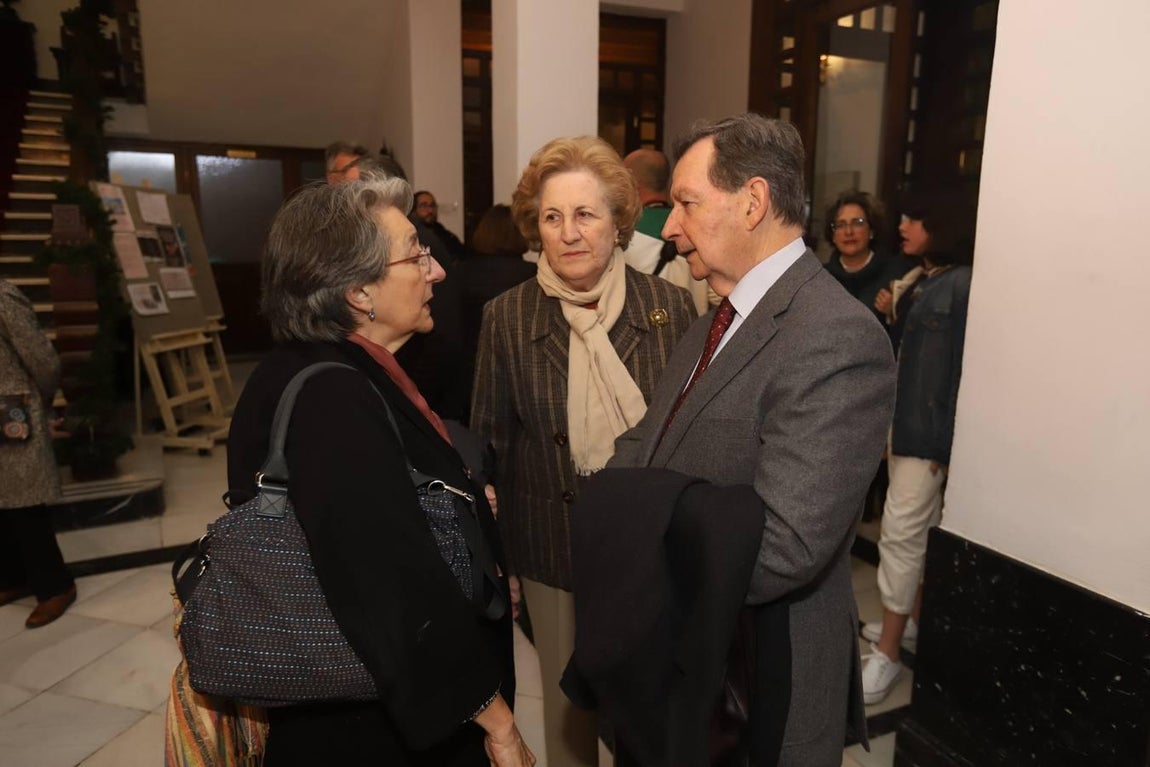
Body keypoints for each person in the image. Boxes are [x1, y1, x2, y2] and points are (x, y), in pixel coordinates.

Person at [604, 114, 896, 765]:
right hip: (691, 654)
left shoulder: (834, 336)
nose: (670, 227)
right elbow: (642, 445)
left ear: (754, 201)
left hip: (763, 670)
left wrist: (637, 556)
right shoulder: (714, 317)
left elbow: (787, 545)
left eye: (685, 203)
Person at [228, 178, 533, 767]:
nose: (436, 271)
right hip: (373, 726)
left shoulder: (329, 367)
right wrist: (497, 722)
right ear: (359, 290)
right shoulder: (333, 397)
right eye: (416, 253)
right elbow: (389, 582)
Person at [470, 136, 695, 766]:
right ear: (535, 226)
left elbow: (685, 437)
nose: (568, 233)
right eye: (552, 216)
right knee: (569, 723)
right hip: (550, 548)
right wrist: (501, 560)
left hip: (648, 549)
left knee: (646, 707)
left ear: (620, 223)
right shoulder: (507, 318)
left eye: (586, 215)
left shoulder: (671, 308)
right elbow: (490, 443)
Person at [861, 193, 973, 705]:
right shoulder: (925, 279)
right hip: (906, 428)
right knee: (917, 536)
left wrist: (947, 442)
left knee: (901, 537)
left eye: (914, 217)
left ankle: (886, 654)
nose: (902, 225)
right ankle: (906, 628)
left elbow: (962, 370)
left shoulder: (962, 284)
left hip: (926, 437)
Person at [0, 279, 76, 629]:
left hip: (12, 413)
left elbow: (43, 359)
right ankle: (14, 578)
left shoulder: (3, 295)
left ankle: (55, 587)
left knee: (26, 505)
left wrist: (36, 403)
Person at [823, 190, 907, 326]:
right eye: (840, 225)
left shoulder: (896, 274)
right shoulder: (821, 277)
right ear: (833, 235)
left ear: (872, 230)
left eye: (858, 223)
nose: (849, 232)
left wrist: (894, 312)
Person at [413, 190, 467, 263]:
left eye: (432, 205)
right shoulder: (413, 234)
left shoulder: (441, 230)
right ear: (413, 210)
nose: (430, 211)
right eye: (424, 206)